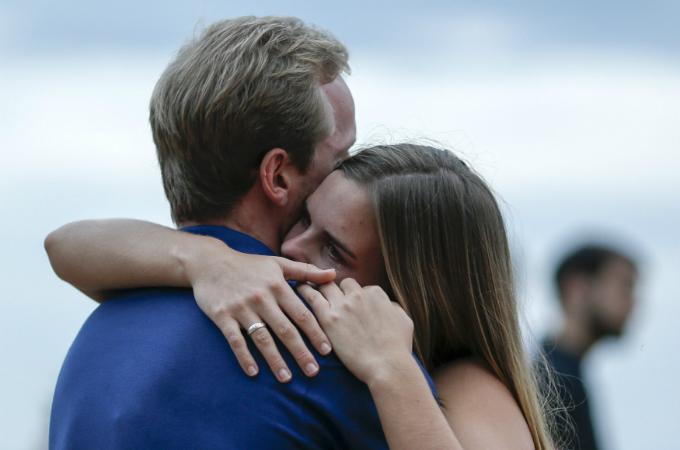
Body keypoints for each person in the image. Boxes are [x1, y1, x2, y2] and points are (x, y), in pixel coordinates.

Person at [47, 16, 412, 450]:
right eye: (341, 157)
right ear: (277, 175)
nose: (347, 174)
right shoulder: (334, 345)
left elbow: (61, 244)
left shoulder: (99, 335)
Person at [48, 144, 558, 449]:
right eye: (305, 219)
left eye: (333, 249)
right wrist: (209, 261)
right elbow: (66, 246)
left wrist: (391, 370)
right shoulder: (266, 288)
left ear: (411, 290)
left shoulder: (470, 386)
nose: (292, 248)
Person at [543, 244, 638, 450]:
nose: (634, 302)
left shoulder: (562, 371)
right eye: (625, 286)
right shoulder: (554, 382)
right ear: (578, 288)